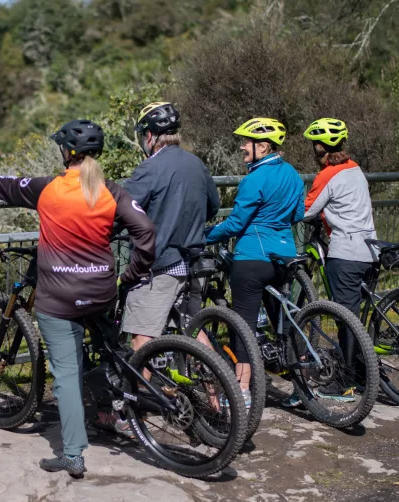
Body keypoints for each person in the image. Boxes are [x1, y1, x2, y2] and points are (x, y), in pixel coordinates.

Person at [0, 119, 156, 478]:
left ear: (66, 153)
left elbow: (7, 186)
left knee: (66, 375)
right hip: (102, 291)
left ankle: (73, 455)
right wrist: (130, 274)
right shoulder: (110, 191)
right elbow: (145, 231)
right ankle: (114, 405)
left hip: (59, 298)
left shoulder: (47, 189)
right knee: (107, 348)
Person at [97, 102, 220, 434]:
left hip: (160, 264)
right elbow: (213, 205)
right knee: (193, 329)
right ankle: (219, 401)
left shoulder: (150, 169)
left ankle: (126, 416)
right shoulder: (196, 164)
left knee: (143, 338)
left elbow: (120, 212)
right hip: (193, 263)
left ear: (149, 136)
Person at [205, 117, 304, 408]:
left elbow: (236, 223)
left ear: (262, 146)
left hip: (252, 258)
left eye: (245, 142)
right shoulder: (294, 175)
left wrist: (207, 235)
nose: (241, 147)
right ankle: (303, 388)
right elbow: (298, 214)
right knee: (283, 323)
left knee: (243, 327)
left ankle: (242, 393)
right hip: (284, 257)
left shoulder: (253, 179)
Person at [283, 118, 378, 406]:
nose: (313, 147)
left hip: (346, 253)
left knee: (345, 319)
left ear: (320, 145)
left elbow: (306, 210)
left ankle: (346, 384)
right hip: (370, 251)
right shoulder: (355, 168)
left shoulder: (327, 174)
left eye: (314, 142)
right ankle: (363, 373)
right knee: (358, 317)